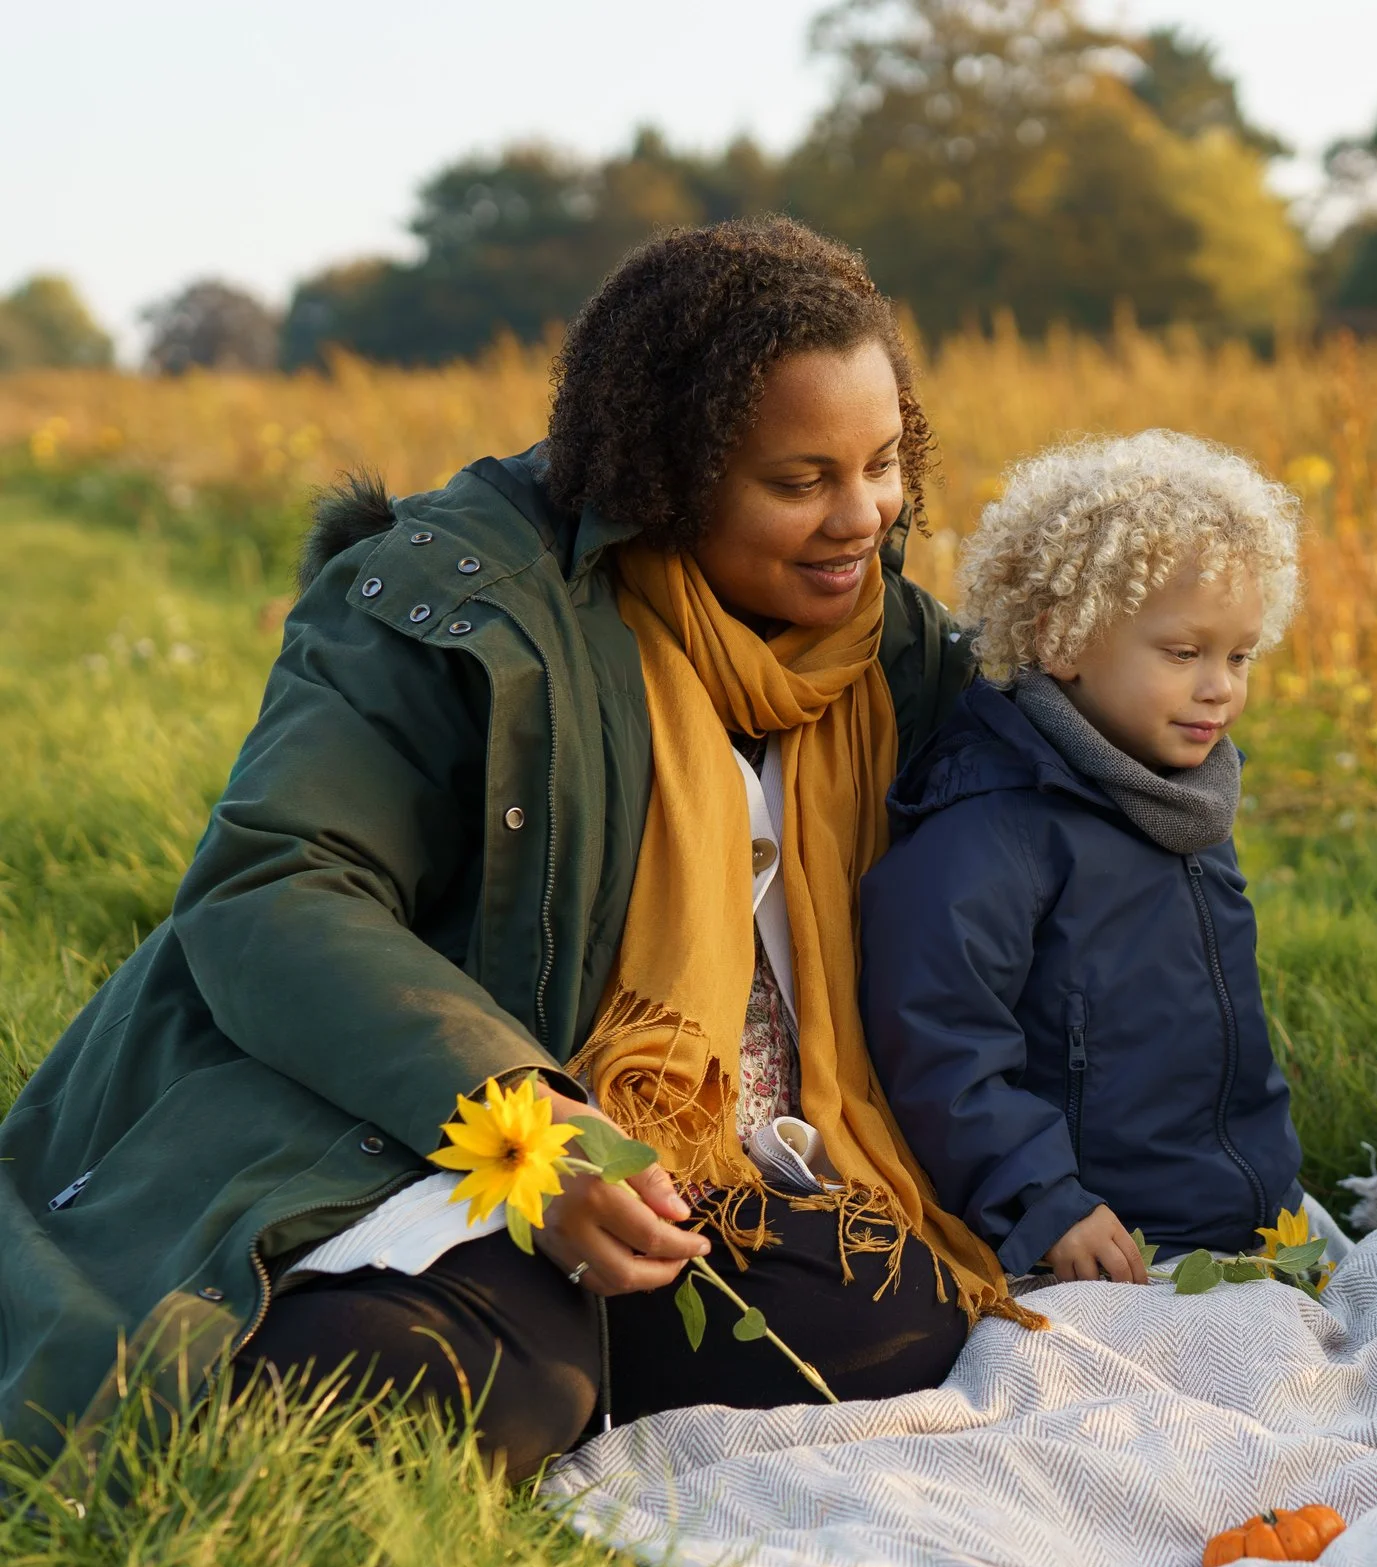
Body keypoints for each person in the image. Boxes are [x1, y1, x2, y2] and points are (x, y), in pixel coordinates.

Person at [0, 218, 1034, 1477]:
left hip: (694, 1162)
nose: (860, 515)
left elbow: (1060, 820)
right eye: (799, 480)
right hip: (394, 1115)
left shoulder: (892, 651)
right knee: (496, 1380)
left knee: (888, 1316)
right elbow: (276, 884)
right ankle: (360, 1346)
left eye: (881, 463)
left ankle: (544, 1330)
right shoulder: (461, 602)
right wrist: (539, 1135)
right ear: (666, 475)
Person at [859, 431, 1306, 1285]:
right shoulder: (992, 821)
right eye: (1184, 653)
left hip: (1237, 1218)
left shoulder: (1187, 796)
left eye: (1239, 655)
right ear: (1062, 640)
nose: (1220, 685)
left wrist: (1270, 1181)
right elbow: (938, 1039)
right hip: (1092, 1239)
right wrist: (1043, 1198)